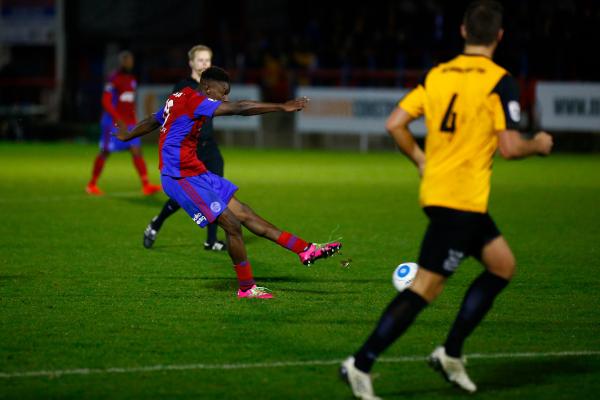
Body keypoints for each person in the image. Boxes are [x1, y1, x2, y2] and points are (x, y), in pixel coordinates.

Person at [340, 1, 553, 398]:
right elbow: (509, 147)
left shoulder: (438, 74)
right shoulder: (499, 80)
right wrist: (538, 144)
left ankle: (451, 353)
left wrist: (420, 158)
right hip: (460, 199)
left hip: (447, 194)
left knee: (502, 265)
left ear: (462, 31)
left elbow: (395, 123)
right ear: (499, 37)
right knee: (426, 288)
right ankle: (361, 363)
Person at [115, 66, 342, 299]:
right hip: (179, 178)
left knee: (245, 213)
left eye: (227, 93)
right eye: (221, 92)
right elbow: (240, 108)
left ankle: (305, 250)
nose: (224, 98)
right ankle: (246, 288)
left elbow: (154, 119)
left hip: (197, 173)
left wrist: (128, 135)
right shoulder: (197, 101)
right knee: (232, 225)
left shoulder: (179, 96)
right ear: (206, 87)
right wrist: (281, 106)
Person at [143, 44, 227, 251]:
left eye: (208, 60)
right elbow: (167, 117)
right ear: (191, 63)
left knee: (216, 191)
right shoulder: (184, 87)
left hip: (210, 148)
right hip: (189, 151)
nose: (204, 64)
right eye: (200, 60)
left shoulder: (212, 86)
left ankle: (211, 240)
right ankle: (156, 224)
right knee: (182, 197)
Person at [86, 50, 161, 196]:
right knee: (105, 151)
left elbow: (128, 102)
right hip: (112, 122)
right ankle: (92, 184)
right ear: (121, 62)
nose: (129, 63)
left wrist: (133, 119)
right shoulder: (113, 79)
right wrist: (117, 118)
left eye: (130, 60)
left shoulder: (132, 79)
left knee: (136, 150)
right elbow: (106, 101)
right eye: (126, 60)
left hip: (129, 123)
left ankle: (146, 185)